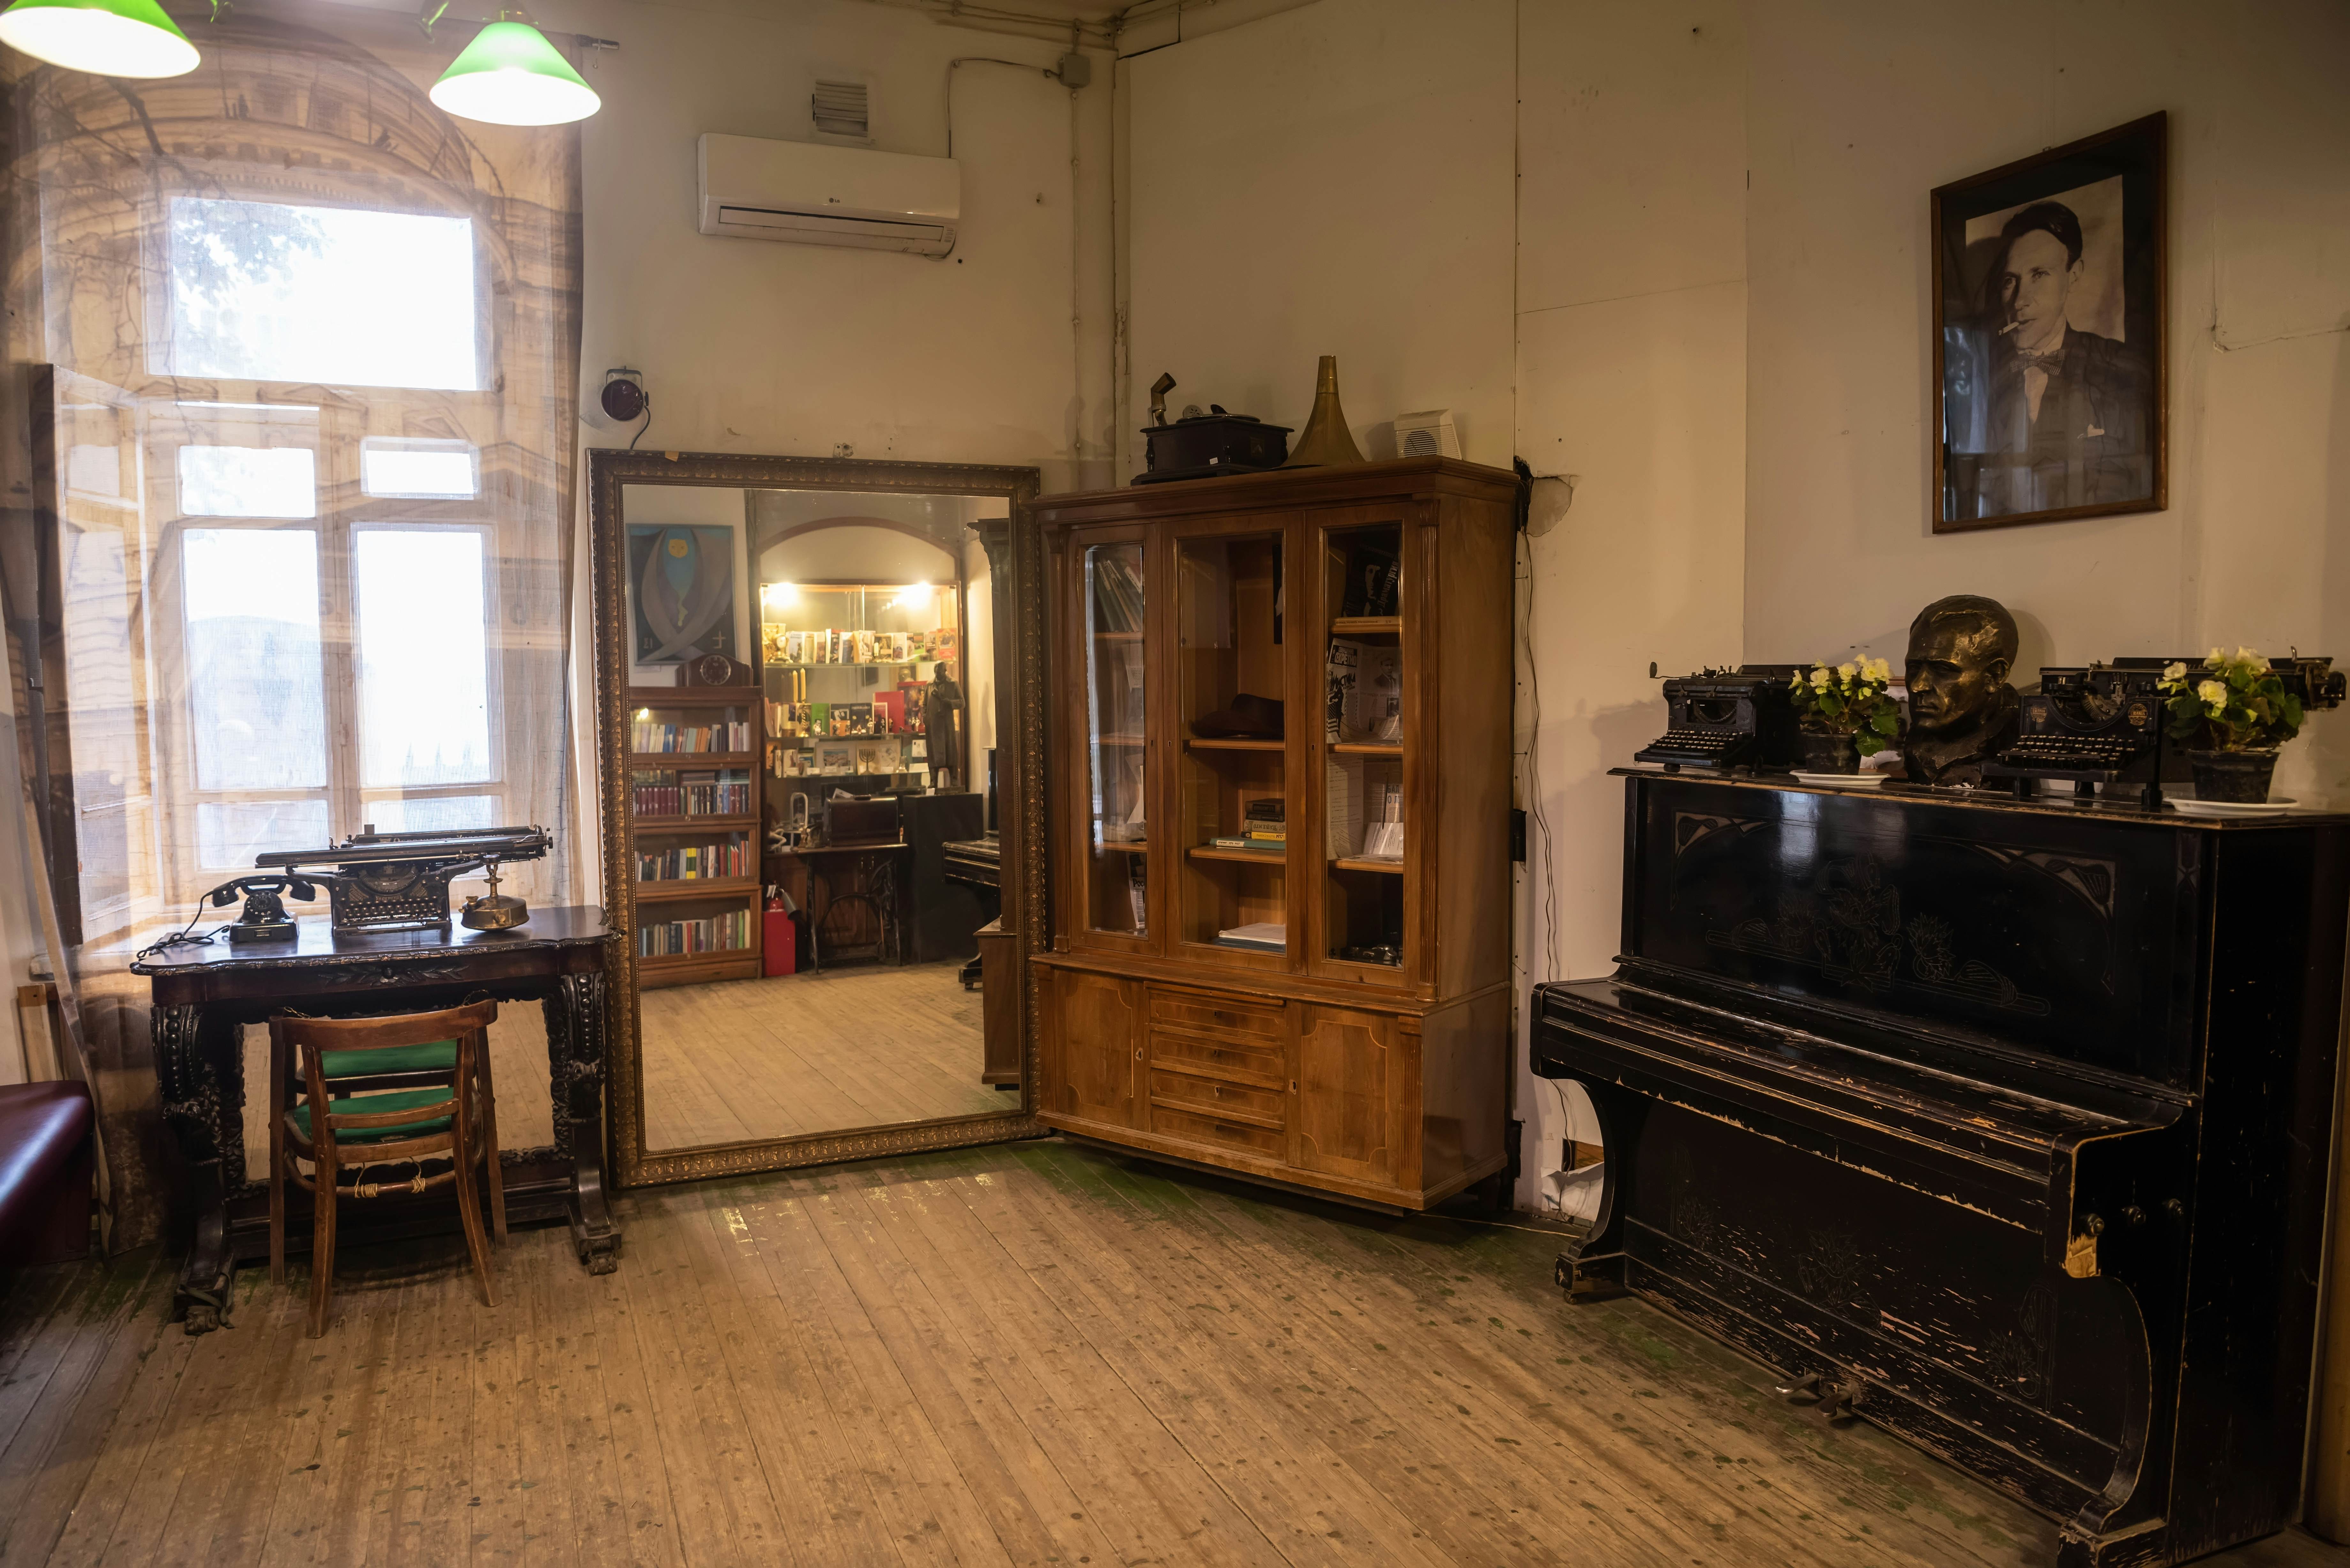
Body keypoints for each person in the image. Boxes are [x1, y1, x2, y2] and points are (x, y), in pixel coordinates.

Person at [1976, 201, 2150, 516]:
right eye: (2009, 281)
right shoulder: (1979, 385)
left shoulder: (2119, 367)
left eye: (2038, 275)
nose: (2020, 301)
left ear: (2073, 275)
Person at [1901, 594, 2020, 787]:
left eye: (1942, 670)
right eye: (1914, 668)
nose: (1918, 686)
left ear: (1994, 677)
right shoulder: (1920, 736)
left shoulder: (2014, 735)